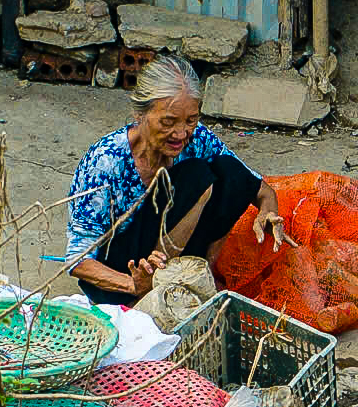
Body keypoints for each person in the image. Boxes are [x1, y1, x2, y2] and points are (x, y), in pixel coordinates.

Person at [65, 53, 289, 304]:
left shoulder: (197, 137)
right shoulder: (105, 162)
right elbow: (77, 260)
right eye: (168, 122)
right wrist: (133, 284)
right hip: (124, 269)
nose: (181, 133)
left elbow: (257, 186)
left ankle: (200, 277)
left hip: (171, 251)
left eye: (191, 120)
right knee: (198, 175)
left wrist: (268, 212)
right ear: (140, 114)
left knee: (230, 171)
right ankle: (153, 290)